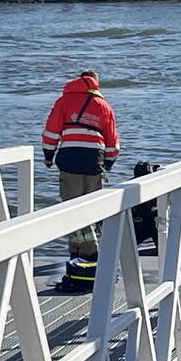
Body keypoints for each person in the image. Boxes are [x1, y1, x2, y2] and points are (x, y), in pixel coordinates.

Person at [42, 70, 120, 261]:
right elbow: (112, 140)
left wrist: (48, 155)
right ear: (95, 83)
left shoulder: (63, 101)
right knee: (92, 207)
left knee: (72, 206)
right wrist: (108, 162)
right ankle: (79, 251)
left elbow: (51, 132)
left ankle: (88, 251)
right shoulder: (104, 106)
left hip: (70, 159)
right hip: (95, 160)